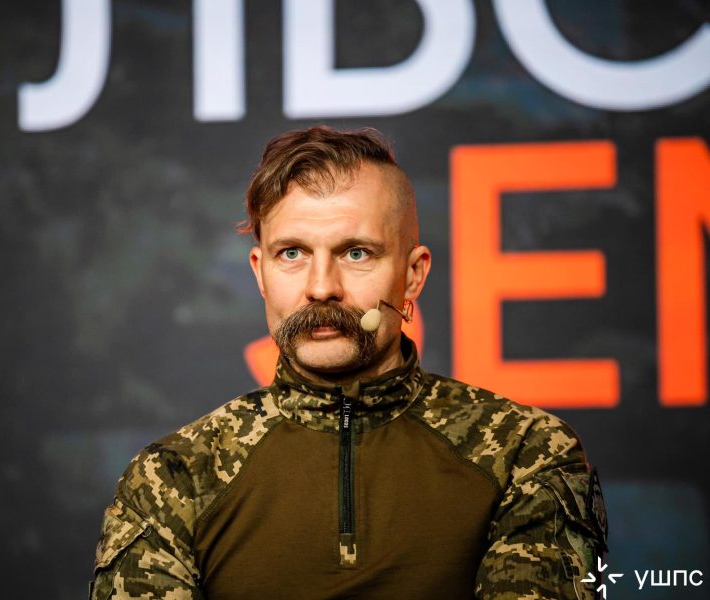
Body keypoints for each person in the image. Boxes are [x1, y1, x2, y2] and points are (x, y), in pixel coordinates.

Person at [89, 126, 607, 599]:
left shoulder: (525, 452)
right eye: (292, 253)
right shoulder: (173, 475)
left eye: (356, 253)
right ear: (260, 273)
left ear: (413, 275)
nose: (321, 288)